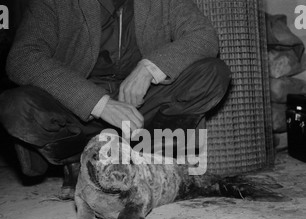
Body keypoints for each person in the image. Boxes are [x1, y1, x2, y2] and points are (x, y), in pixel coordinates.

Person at [0, 0, 231, 199]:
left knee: (212, 74)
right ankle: (79, 159)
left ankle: (145, 157)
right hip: (77, 111)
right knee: (16, 106)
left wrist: (149, 69)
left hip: (140, 107)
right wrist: (98, 104)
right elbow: (22, 57)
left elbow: (204, 35)